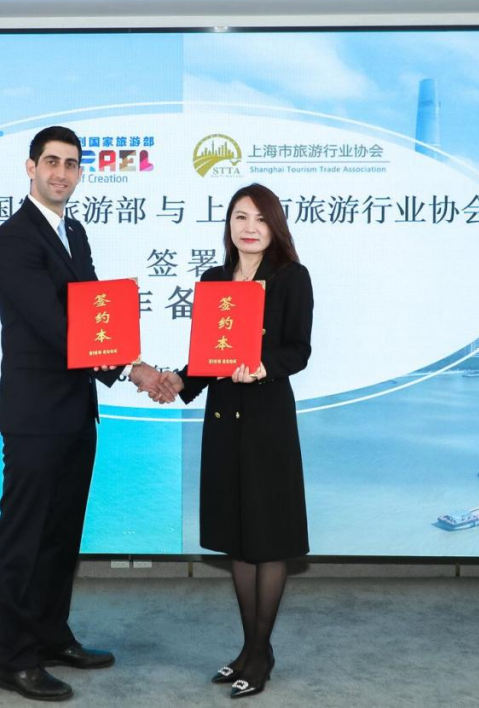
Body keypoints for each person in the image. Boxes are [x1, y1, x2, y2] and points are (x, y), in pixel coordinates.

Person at [0, 125, 165, 701]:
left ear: (81, 172)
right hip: (36, 415)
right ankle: (16, 660)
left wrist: (130, 362)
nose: (61, 173)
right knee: (23, 539)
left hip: (75, 411)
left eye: (71, 164)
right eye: (51, 162)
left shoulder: (75, 232)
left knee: (62, 535)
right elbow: (58, 327)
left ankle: (51, 636)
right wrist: (134, 370)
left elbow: (95, 319)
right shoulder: (13, 239)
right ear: (31, 167)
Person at [157, 183, 313, 699]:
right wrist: (178, 381)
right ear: (228, 224)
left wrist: (263, 367)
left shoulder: (292, 278)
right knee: (238, 539)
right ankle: (250, 650)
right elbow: (208, 356)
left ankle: (260, 655)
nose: (249, 227)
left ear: (275, 226)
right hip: (224, 421)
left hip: (267, 422)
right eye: (240, 217)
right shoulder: (214, 280)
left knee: (267, 537)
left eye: (261, 219)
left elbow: (299, 350)